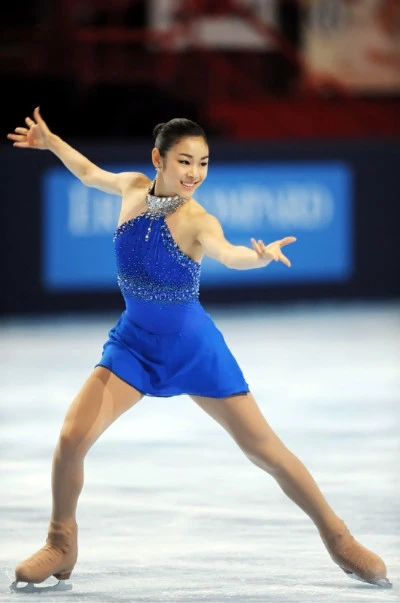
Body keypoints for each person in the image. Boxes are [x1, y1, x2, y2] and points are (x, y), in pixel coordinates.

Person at [7, 108, 391, 590]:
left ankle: (338, 538)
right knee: (71, 438)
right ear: (158, 159)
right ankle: (61, 542)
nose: (194, 173)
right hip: (133, 346)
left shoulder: (197, 219)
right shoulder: (131, 188)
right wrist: (51, 142)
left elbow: (228, 253)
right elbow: (87, 172)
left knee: (266, 451)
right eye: (185, 161)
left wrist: (258, 257)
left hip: (193, 349)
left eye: (203, 163)